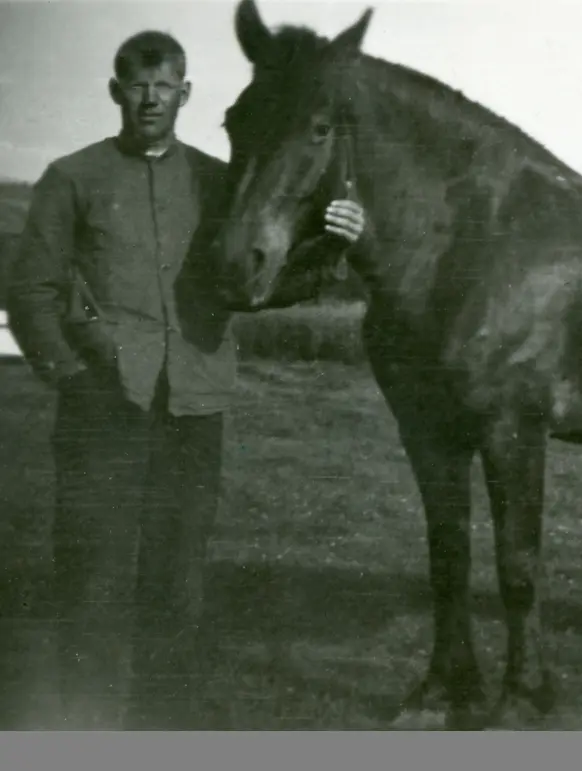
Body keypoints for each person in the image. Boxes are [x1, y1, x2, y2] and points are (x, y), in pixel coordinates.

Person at [4, 29, 367, 729]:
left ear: (184, 93)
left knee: (177, 581)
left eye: (164, 86)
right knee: (94, 576)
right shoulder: (72, 178)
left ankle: (163, 726)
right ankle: (83, 724)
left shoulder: (213, 181)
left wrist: (334, 244)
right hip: (101, 409)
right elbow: (32, 293)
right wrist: (69, 373)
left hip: (193, 410)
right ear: (117, 92)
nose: (150, 99)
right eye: (137, 86)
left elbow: (255, 281)